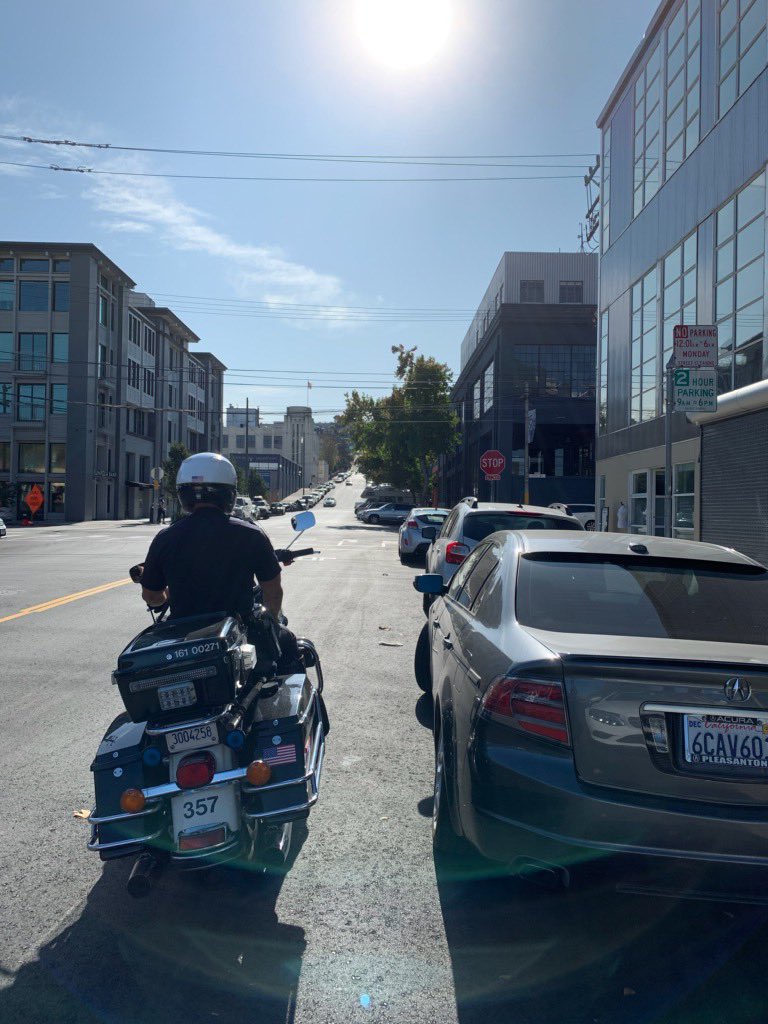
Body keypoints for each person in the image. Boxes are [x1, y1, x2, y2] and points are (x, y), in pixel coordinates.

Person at [139, 452, 299, 671]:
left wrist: (166, 595)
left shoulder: (165, 538)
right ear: (229, 494)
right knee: (291, 646)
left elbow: (151, 596)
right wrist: (269, 624)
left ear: (183, 495)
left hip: (184, 638)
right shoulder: (250, 534)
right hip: (239, 634)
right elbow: (273, 591)